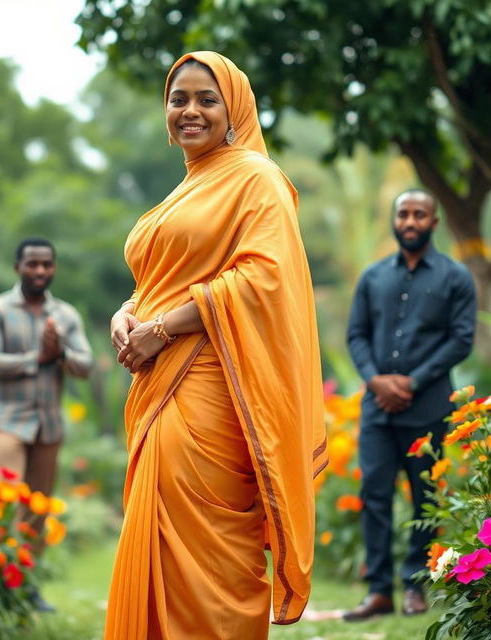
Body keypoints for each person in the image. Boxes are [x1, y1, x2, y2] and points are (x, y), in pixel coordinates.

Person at [106, 51, 327, 640]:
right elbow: (158, 276)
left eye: (208, 99)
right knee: (159, 545)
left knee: (211, 555)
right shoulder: (187, 188)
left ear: (235, 108)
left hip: (208, 391)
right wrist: (127, 313)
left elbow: (263, 280)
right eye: (180, 99)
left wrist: (161, 329)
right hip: (158, 383)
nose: (191, 111)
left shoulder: (256, 178)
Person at [344, 189, 476, 620]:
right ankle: (379, 591)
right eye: (404, 214)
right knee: (374, 495)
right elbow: (356, 336)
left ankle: (416, 587)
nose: (411, 221)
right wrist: (376, 380)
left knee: (425, 501)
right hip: (378, 411)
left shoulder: (456, 278)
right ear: (394, 220)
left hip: (429, 409)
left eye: (420, 214)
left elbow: (461, 339)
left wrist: (413, 382)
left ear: (434, 222)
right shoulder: (373, 277)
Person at [0, 237, 93, 610]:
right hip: (8, 422)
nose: (40, 271)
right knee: (6, 506)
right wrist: (38, 357)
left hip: (48, 426)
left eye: (46, 264)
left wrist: (61, 354)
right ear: (17, 268)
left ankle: (27, 587)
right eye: (32, 264)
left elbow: (85, 365)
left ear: (53, 268)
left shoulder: (66, 315)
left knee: (37, 511)